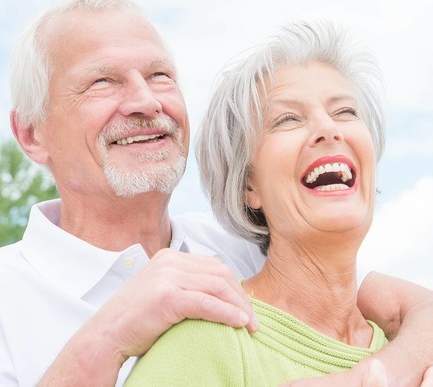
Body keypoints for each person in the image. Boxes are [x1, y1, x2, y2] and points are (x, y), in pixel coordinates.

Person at [0, 0, 431, 387]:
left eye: (160, 75)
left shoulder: (245, 244)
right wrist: (106, 338)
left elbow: (402, 310)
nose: (146, 101)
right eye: (103, 81)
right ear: (31, 135)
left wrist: (379, 374)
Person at [125, 21, 433, 386]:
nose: (328, 129)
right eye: (287, 119)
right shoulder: (209, 340)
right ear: (247, 185)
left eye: (345, 112)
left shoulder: (408, 345)